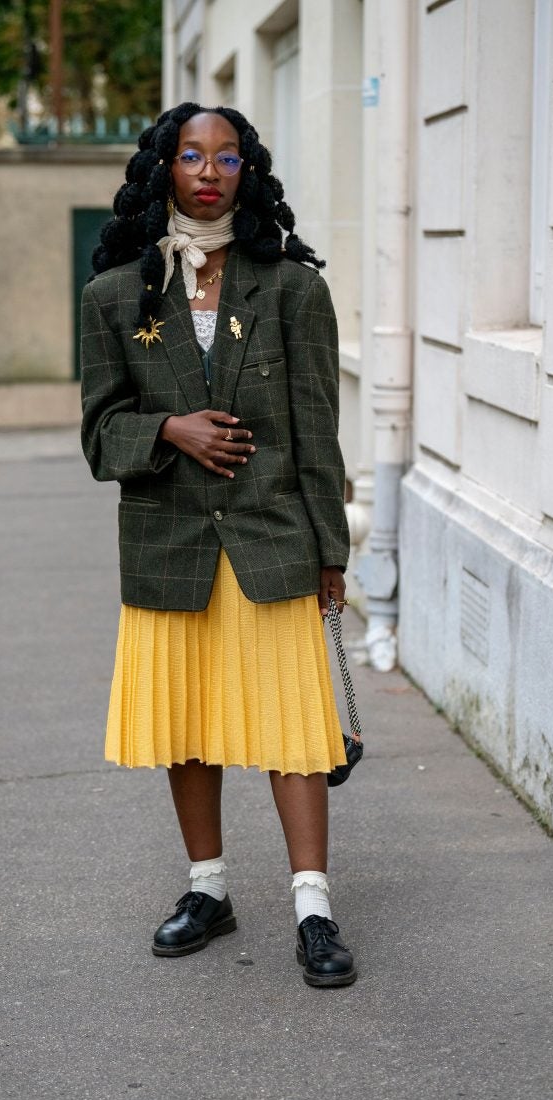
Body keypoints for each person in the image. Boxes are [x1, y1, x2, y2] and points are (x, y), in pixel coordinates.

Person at [80, 103, 356, 989]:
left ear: (248, 172)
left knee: (294, 729)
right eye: (192, 155)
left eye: (227, 158)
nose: (208, 170)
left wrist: (332, 553)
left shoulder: (292, 289)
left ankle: (313, 908)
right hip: (168, 545)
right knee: (188, 727)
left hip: (272, 537)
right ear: (163, 167)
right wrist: (171, 430)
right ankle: (209, 890)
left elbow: (318, 431)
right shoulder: (116, 295)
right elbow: (98, 434)